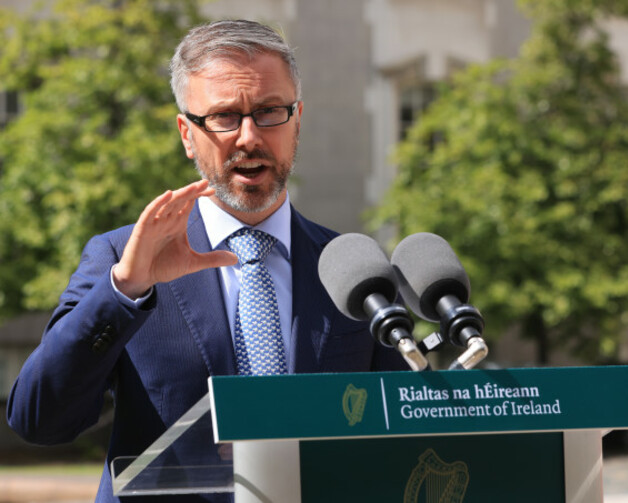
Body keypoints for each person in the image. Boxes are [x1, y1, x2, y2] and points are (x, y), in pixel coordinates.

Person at [6, 19, 407, 502]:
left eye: (269, 112)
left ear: (297, 119)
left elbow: (397, 440)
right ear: (186, 134)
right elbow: (39, 419)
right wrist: (125, 290)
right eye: (223, 117)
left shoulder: (353, 270)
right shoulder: (121, 260)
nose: (248, 137)